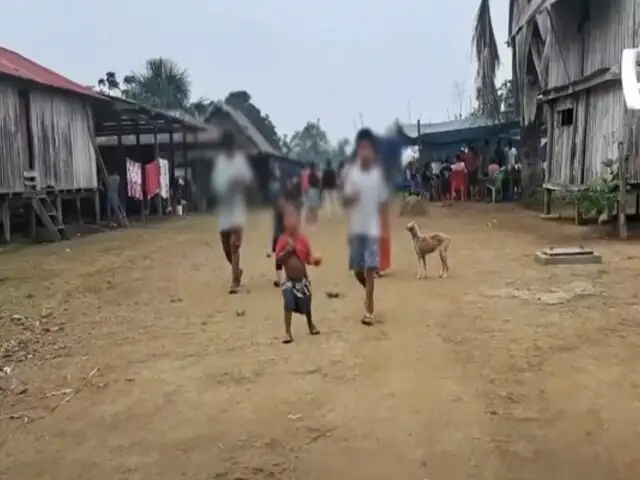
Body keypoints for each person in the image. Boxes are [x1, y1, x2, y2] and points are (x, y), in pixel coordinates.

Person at [343, 128, 389, 325]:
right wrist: (351, 199)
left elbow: (382, 202)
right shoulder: (351, 173)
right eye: (361, 148)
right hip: (356, 229)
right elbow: (345, 202)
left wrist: (385, 228)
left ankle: (369, 310)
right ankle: (368, 292)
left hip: (372, 229)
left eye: (368, 149)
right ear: (357, 151)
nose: (365, 152)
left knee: (370, 268)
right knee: (358, 271)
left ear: (373, 152)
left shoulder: (378, 175)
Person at [211, 131, 253, 294]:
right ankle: (237, 271)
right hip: (224, 210)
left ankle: (235, 281)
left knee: (234, 245)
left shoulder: (240, 161)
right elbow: (216, 184)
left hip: (237, 209)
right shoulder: (220, 162)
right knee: (226, 248)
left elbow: (247, 181)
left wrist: (238, 182)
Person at [274, 202, 322, 344]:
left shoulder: (303, 239)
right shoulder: (282, 240)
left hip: (302, 279)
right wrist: (288, 251)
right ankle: (287, 332)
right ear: (284, 222)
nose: (292, 221)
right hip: (289, 279)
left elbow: (308, 259)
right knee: (288, 303)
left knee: (306, 303)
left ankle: (310, 323)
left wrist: (315, 261)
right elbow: (278, 259)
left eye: (294, 217)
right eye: (288, 218)